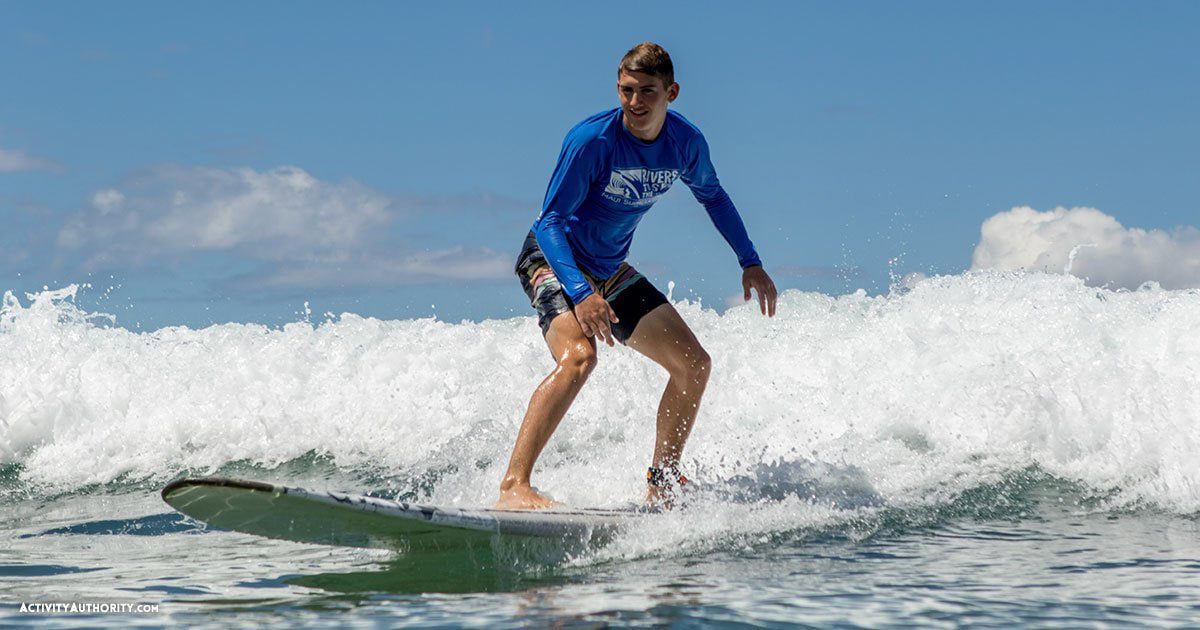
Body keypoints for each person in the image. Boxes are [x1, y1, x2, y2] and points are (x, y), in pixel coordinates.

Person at [496, 42, 777, 510]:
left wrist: (750, 260)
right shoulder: (592, 141)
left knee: (693, 365)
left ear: (672, 92)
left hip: (608, 268)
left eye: (647, 91)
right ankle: (513, 486)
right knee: (580, 357)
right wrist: (581, 293)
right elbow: (550, 223)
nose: (635, 101)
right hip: (552, 258)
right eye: (626, 90)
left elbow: (713, 196)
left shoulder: (685, 144)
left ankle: (661, 483)